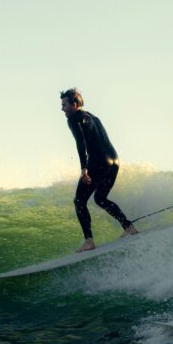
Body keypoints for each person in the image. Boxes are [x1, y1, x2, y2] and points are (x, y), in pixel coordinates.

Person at [60, 88, 138, 252]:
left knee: (79, 201)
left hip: (98, 162)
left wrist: (83, 168)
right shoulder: (93, 117)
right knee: (100, 198)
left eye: (65, 105)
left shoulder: (74, 119)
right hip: (114, 161)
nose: (63, 109)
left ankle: (89, 241)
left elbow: (80, 143)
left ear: (74, 105)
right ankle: (129, 227)